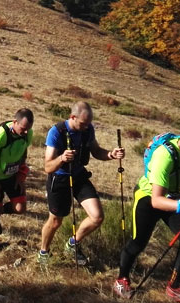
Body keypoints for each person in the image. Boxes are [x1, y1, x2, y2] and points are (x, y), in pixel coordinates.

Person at [113, 122, 180, 303]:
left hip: (174, 198)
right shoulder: (164, 156)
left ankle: (175, 287)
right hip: (148, 198)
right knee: (138, 243)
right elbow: (156, 201)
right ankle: (121, 279)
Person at [38, 102, 125, 265]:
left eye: (88, 124)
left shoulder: (88, 129)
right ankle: (43, 252)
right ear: (73, 117)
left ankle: (72, 243)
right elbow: (47, 167)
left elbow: (97, 151)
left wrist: (112, 154)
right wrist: (62, 158)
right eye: (83, 124)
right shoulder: (56, 132)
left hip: (79, 176)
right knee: (56, 221)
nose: (87, 127)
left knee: (97, 217)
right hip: (59, 179)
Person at [0, 108, 34, 257]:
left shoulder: (27, 133)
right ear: (15, 122)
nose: (25, 132)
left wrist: (20, 174)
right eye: (23, 129)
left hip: (11, 175)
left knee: (20, 207)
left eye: (28, 129)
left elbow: (24, 151)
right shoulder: (0, 135)